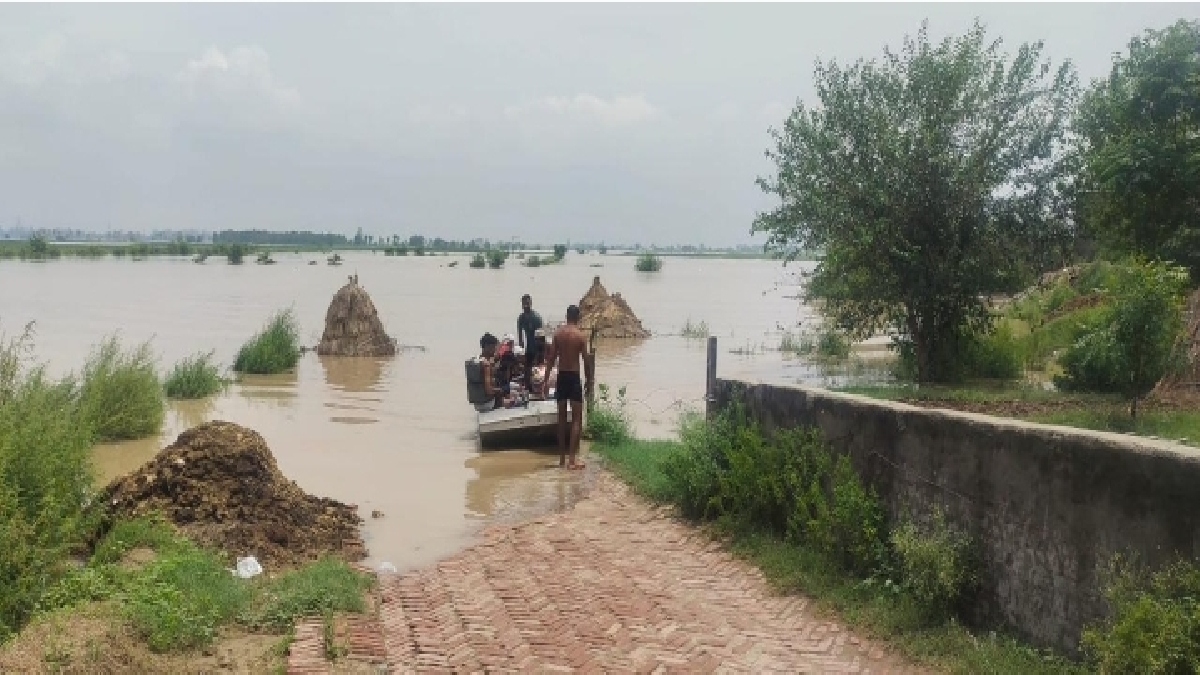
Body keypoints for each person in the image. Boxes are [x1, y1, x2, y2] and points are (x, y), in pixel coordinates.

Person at [543, 305, 591, 469]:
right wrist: (590, 381)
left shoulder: (558, 334)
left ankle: (562, 459)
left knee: (561, 419)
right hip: (574, 377)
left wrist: (545, 380)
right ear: (578, 317)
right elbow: (586, 360)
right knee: (577, 419)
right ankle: (572, 460)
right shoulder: (581, 336)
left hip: (562, 377)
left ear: (566, 316)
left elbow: (550, 359)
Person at [517, 294, 543, 390]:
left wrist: (539, 354)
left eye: (527, 303)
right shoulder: (521, 318)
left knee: (536, 370)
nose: (526, 305)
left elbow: (541, 338)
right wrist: (521, 350)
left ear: (531, 303)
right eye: (524, 303)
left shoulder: (536, 318)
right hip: (528, 348)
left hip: (537, 347)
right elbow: (520, 335)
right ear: (522, 304)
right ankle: (528, 389)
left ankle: (538, 389)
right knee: (527, 370)